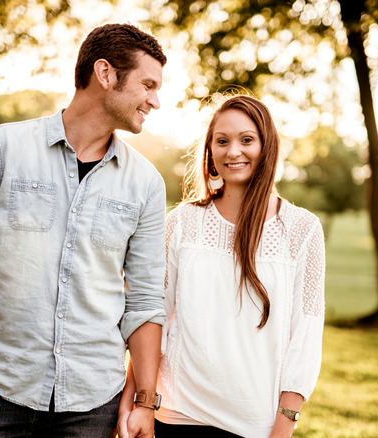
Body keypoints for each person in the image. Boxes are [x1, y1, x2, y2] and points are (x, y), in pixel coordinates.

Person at [0, 23, 167, 438]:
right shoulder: (4, 147)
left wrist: (145, 401)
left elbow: (146, 300)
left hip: (92, 403)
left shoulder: (146, 182)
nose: (155, 100)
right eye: (147, 85)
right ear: (105, 73)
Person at [119, 94, 326, 438]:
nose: (233, 151)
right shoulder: (182, 222)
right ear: (210, 151)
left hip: (254, 424)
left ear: (267, 146)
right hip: (177, 414)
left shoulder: (302, 230)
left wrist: (284, 425)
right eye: (222, 141)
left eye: (246, 140)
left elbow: (306, 336)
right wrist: (141, 401)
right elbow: (155, 318)